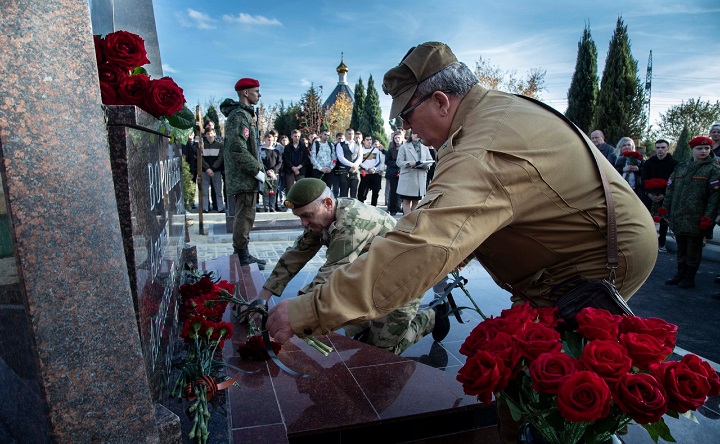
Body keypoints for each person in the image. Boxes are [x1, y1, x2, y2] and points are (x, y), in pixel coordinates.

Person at [266, 42, 657, 443]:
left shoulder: (482, 144)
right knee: (527, 380)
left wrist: (310, 309)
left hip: (591, 264)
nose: (407, 130)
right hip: (568, 256)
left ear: (440, 101)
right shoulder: (488, 114)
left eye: (407, 116)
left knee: (556, 389)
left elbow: (424, 244)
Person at [257, 178, 449, 354]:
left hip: (406, 277)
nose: (303, 223)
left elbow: (330, 275)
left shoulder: (352, 222)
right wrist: (262, 297)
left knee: (385, 350)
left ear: (328, 203)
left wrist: (292, 316)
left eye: (307, 216)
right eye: (299, 216)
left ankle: (432, 318)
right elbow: (297, 253)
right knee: (360, 337)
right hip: (371, 278)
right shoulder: (324, 216)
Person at [220, 78, 267, 270]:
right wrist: (256, 170)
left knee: (247, 215)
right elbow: (237, 148)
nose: (259, 95)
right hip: (244, 176)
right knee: (244, 215)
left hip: (247, 175)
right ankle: (241, 255)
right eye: (256, 91)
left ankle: (242, 252)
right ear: (246, 93)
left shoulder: (245, 115)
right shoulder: (239, 116)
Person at [663, 136, 720, 289]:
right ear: (692, 150)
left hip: (697, 217)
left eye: (707, 148)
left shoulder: (713, 169)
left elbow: (715, 197)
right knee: (681, 247)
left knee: (693, 249)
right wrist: (665, 208)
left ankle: (689, 277)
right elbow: (670, 189)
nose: (703, 151)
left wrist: (708, 217)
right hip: (679, 215)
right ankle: (680, 273)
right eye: (699, 148)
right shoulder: (681, 167)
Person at [641, 139, 678, 252]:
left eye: (663, 147)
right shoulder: (649, 163)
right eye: (658, 148)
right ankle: (646, 241)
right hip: (649, 194)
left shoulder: (674, 163)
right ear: (655, 149)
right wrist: (649, 194)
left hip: (666, 195)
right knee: (646, 218)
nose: (660, 150)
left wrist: (664, 195)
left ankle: (661, 243)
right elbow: (644, 179)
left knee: (664, 220)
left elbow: (674, 181)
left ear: (667, 149)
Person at [397, 132, 432, 214]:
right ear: (410, 135)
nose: (416, 135)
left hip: (420, 178)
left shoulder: (424, 147)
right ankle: (408, 220)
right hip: (408, 178)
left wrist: (427, 166)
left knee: (416, 202)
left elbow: (430, 160)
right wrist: (410, 163)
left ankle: (412, 220)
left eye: (418, 134)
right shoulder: (404, 147)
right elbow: (399, 162)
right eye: (414, 133)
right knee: (406, 201)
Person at [199, 127, 224, 213]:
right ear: (205, 135)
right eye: (208, 134)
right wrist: (207, 168)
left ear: (215, 134)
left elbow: (220, 158)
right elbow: (201, 158)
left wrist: (213, 168)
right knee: (205, 191)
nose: (210, 135)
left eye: (211, 133)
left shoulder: (219, 145)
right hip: (205, 171)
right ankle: (205, 208)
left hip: (216, 171)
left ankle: (220, 208)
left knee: (218, 191)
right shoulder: (202, 145)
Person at [357, 135, 385, 206]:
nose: (369, 141)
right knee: (361, 192)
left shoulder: (376, 150)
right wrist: (367, 169)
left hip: (374, 173)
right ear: (363, 141)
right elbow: (359, 161)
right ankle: (361, 206)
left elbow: (378, 161)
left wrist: (373, 168)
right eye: (367, 140)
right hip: (365, 174)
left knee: (375, 192)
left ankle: (373, 207)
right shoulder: (361, 150)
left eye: (370, 139)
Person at [335, 128, 361, 198]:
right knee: (343, 193)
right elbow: (341, 158)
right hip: (343, 170)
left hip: (355, 171)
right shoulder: (340, 145)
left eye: (352, 134)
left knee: (354, 193)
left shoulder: (358, 145)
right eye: (349, 134)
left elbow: (360, 157)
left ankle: (354, 205)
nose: (351, 135)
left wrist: (355, 166)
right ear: (345, 134)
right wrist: (352, 165)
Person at [260, 133, 282, 212]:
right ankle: (266, 206)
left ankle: (272, 206)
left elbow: (279, 162)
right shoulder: (262, 150)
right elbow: (261, 162)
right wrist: (267, 171)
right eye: (268, 140)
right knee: (266, 191)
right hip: (265, 174)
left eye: (272, 140)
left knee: (273, 191)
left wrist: (273, 170)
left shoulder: (276, 151)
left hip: (274, 174)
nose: (270, 142)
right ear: (265, 140)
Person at [384, 132, 404, 215]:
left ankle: (399, 207)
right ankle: (392, 209)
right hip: (393, 172)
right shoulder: (391, 150)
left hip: (403, 172)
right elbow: (387, 161)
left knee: (402, 191)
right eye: (395, 138)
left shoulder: (406, 149)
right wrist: (396, 163)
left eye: (399, 138)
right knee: (393, 191)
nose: (397, 139)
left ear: (402, 139)